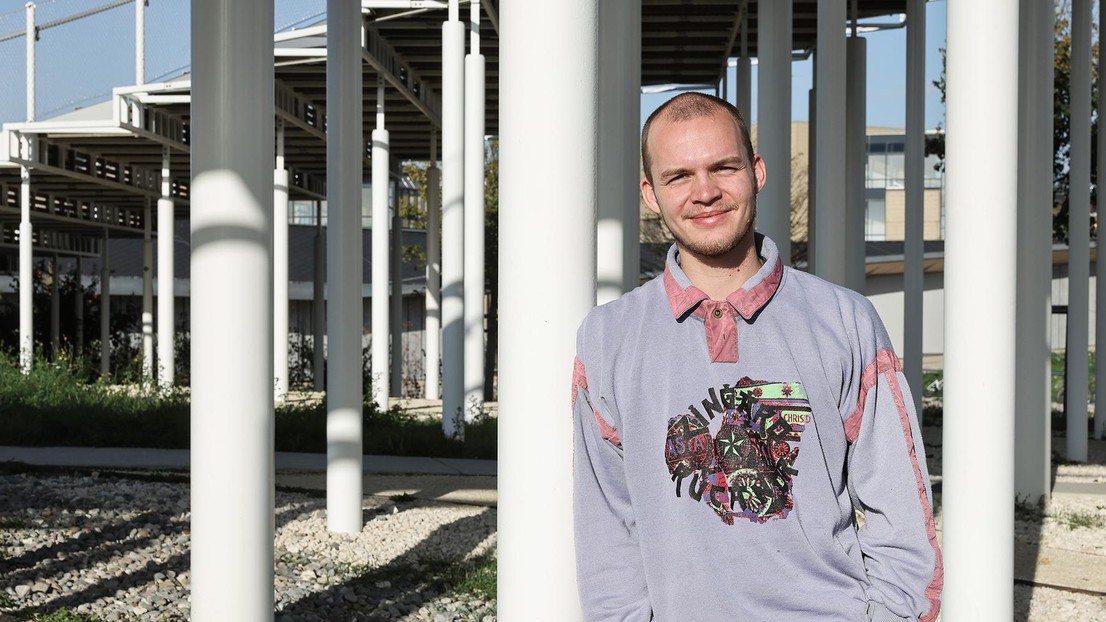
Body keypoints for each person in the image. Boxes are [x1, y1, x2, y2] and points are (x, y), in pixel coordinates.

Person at [571, 92, 942, 622]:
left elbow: (901, 520)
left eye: (723, 167)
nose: (705, 192)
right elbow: (607, 531)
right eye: (679, 176)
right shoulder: (607, 338)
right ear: (650, 194)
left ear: (758, 170)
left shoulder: (846, 321)